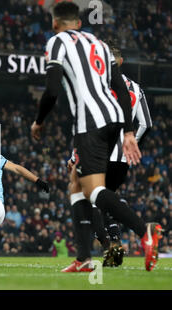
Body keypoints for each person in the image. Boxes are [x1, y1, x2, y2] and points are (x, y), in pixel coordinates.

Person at [30, 2, 162, 272]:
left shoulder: (57, 42)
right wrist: (127, 131)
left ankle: (144, 230)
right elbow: (121, 91)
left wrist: (39, 121)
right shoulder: (99, 43)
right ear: (79, 22)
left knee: (94, 191)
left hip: (89, 123)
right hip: (114, 119)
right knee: (76, 186)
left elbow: (53, 89)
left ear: (55, 24)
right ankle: (84, 258)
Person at [67, 41, 154, 267]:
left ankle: (112, 245)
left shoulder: (96, 86)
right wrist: (131, 143)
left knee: (89, 197)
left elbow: (86, 122)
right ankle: (116, 244)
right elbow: (146, 123)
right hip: (122, 158)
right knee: (105, 198)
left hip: (98, 151)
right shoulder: (136, 88)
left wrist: (75, 154)